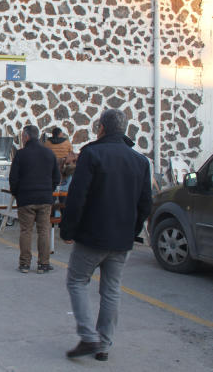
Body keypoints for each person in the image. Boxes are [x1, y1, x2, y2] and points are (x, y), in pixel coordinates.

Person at [61, 109, 151, 362]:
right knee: (111, 290)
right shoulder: (140, 161)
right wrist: (131, 232)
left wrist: (67, 230)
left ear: (101, 128)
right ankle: (104, 345)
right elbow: (145, 204)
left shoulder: (92, 154)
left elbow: (77, 197)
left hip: (92, 236)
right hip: (121, 240)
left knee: (77, 281)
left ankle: (89, 336)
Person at [9, 125, 61, 274]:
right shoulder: (49, 153)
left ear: (26, 137)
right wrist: (48, 190)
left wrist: (17, 193)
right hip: (45, 198)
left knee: (26, 231)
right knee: (44, 231)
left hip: (26, 199)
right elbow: (57, 178)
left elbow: (13, 178)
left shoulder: (20, 154)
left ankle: (25, 264)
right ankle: (43, 264)